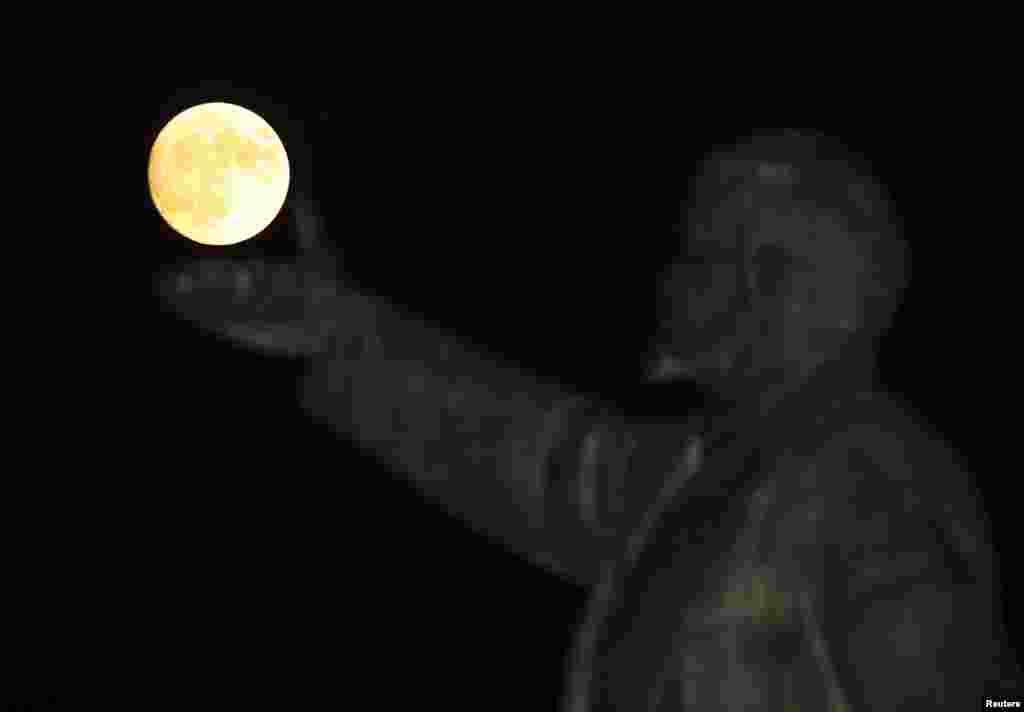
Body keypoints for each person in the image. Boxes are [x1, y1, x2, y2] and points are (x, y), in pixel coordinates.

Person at [157, 130, 1019, 709]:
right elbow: (531, 451)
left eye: (701, 253)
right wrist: (339, 331)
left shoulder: (865, 480)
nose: (672, 282)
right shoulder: (706, 475)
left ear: (784, 285)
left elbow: (978, 697)